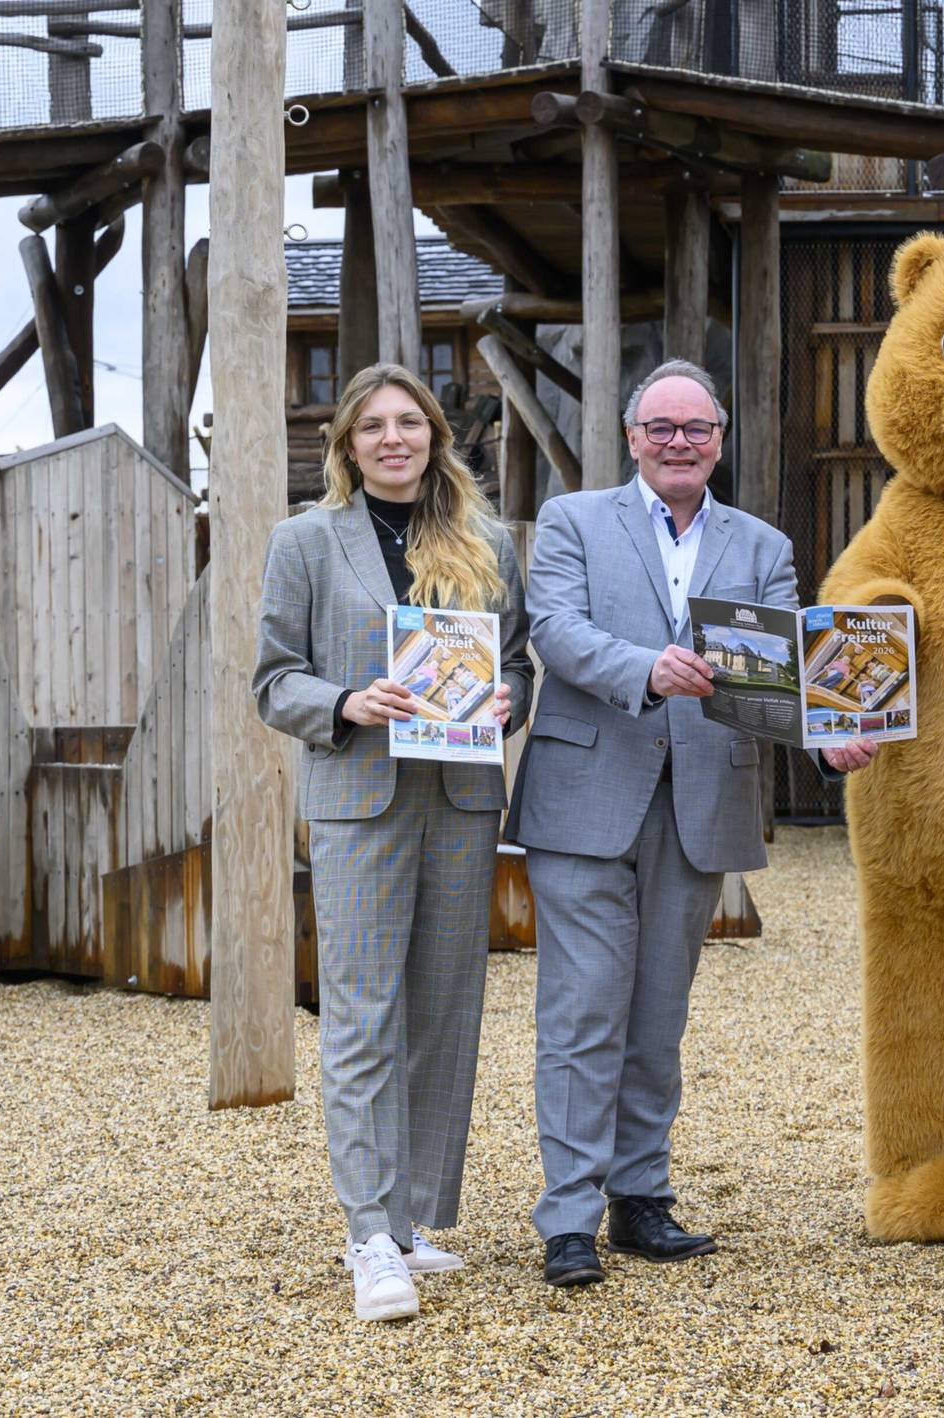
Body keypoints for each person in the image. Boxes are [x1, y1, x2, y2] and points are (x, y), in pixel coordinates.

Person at [510, 359, 875, 1288]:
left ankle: (641, 1197)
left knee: (657, 1014)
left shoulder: (760, 544)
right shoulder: (573, 522)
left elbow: (779, 673)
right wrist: (645, 667)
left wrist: (826, 738)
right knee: (583, 1009)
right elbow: (553, 629)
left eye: (697, 429)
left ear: (721, 440)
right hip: (587, 798)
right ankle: (568, 1218)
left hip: (702, 797)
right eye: (661, 427)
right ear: (632, 436)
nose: (680, 442)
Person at [253, 362, 533, 1322]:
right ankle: (369, 1230)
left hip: (459, 799)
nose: (393, 439)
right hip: (361, 798)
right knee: (365, 1013)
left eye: (409, 423)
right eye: (372, 426)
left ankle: (414, 1219)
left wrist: (506, 701)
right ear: (347, 444)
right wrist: (344, 700)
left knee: (443, 1009)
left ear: (435, 437)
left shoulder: (486, 539)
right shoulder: (305, 541)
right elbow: (272, 680)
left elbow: (521, 666)